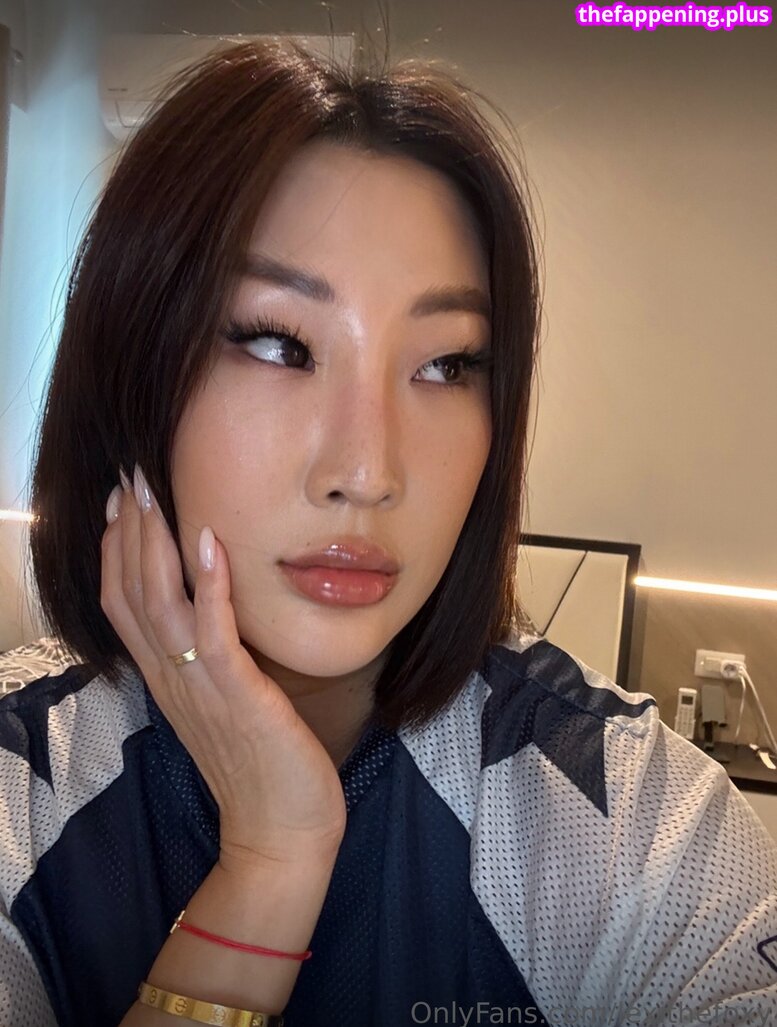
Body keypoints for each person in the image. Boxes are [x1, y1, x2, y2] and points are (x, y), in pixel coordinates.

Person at [0, 35, 776, 1027]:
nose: (368, 472)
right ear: (131, 371)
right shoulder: (21, 788)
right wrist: (270, 860)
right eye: (278, 344)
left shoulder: (633, 823)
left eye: (447, 365)